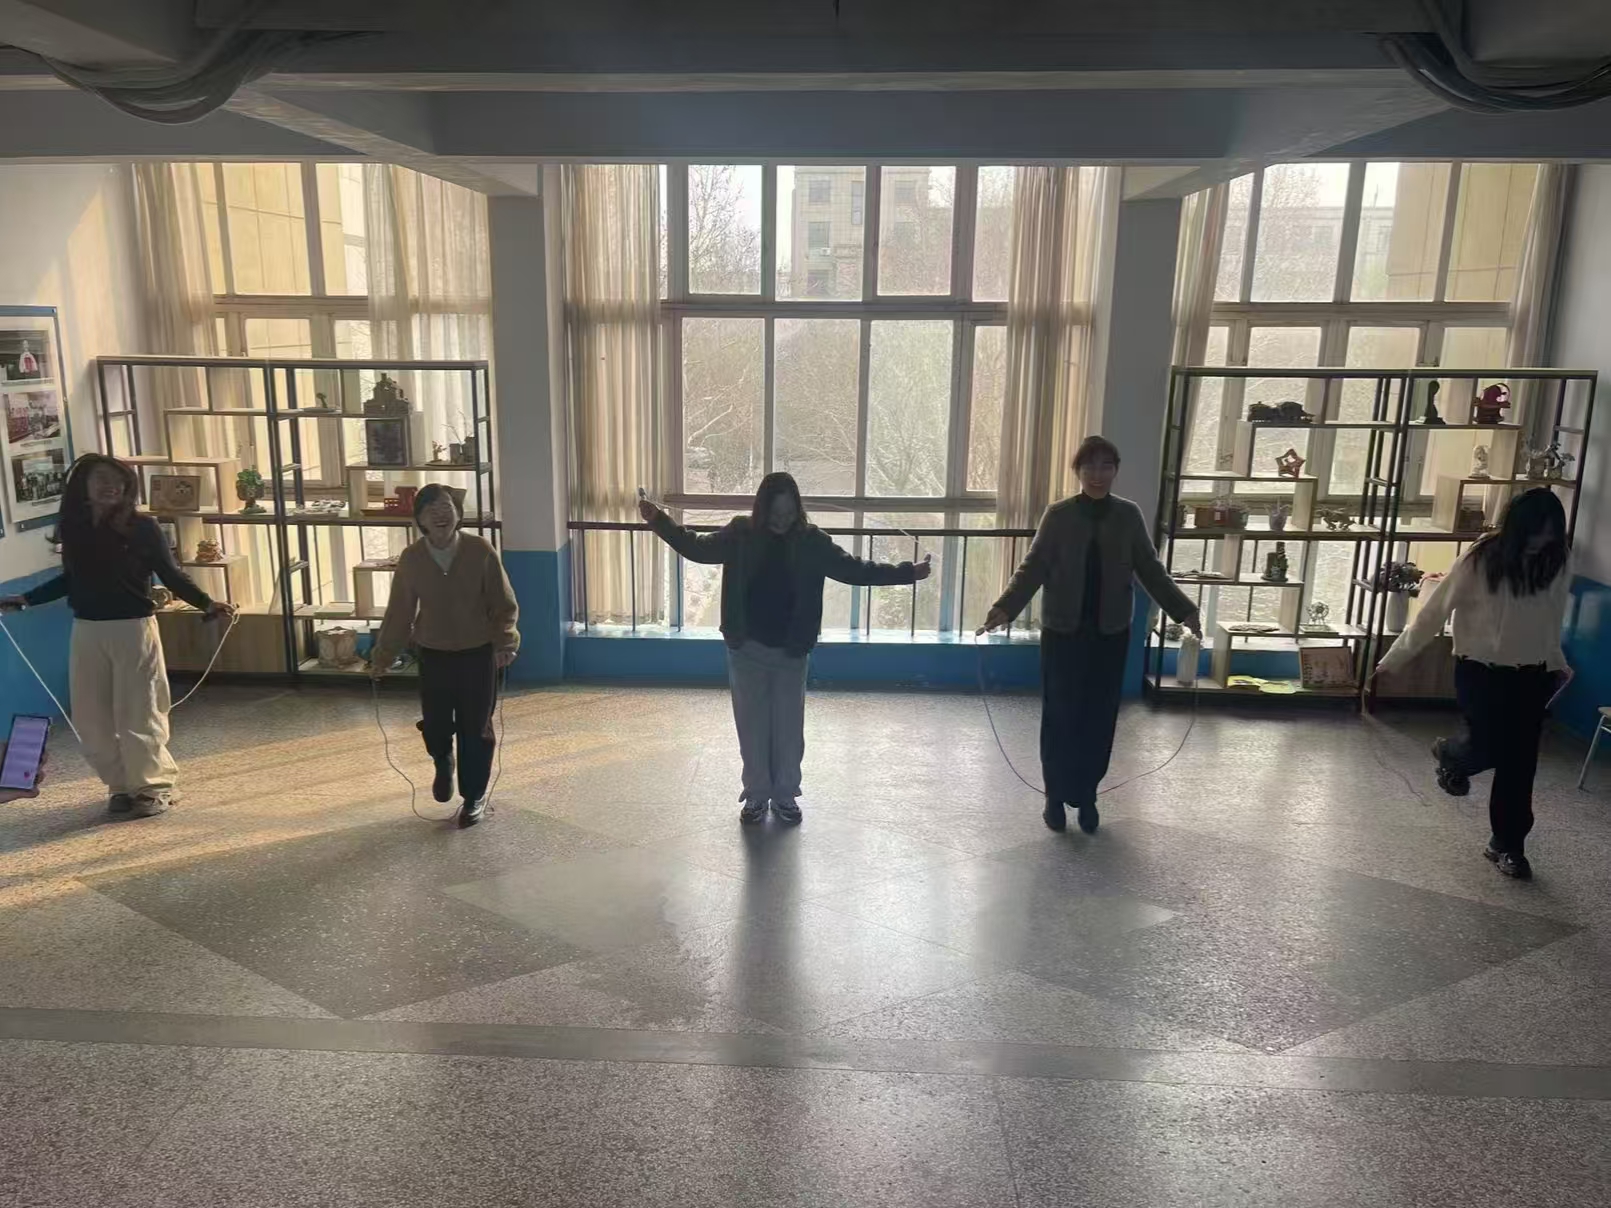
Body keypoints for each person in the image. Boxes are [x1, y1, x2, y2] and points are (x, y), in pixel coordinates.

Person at [640, 472, 930, 825]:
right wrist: (659, 520)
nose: (781, 521)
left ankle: (785, 795)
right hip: (746, 648)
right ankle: (756, 795)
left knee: (789, 729)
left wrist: (907, 573)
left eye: (789, 514)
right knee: (752, 728)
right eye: (775, 514)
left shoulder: (813, 542)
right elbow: (697, 548)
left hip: (792, 651)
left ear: (798, 511)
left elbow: (856, 570)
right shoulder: (740, 533)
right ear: (761, 510)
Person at [979, 435, 1201, 835]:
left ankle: (1087, 795)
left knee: (1099, 718)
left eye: (1106, 466)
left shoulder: (1128, 515)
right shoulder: (1059, 515)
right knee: (1061, 716)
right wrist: (1005, 608)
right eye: (1089, 467)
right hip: (1063, 633)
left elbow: (1151, 570)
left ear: (1115, 471)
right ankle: (1054, 796)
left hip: (1110, 634)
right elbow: (1033, 567)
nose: (1097, 474)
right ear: (1077, 471)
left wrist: (1185, 611)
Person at [0, 453, 235, 817]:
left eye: (118, 480)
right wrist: (27, 599)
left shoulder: (143, 528)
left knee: (139, 715)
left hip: (133, 630)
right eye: (101, 479)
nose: (110, 486)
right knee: (91, 720)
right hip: (87, 630)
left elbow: (170, 574)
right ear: (84, 486)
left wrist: (206, 603)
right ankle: (122, 784)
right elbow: (71, 579)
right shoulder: (76, 528)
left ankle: (153, 787)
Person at [1373, 488, 1572, 881]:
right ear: (1517, 527)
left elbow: (1552, 619)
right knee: (1490, 745)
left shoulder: (1557, 560)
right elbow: (1434, 612)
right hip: (1480, 672)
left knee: (1520, 764)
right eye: (1535, 532)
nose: (1542, 540)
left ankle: (1508, 845)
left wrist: (1557, 664)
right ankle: (1454, 754)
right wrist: (1394, 658)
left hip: (1533, 675)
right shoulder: (1481, 557)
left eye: (1550, 532)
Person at [370, 483, 519, 828]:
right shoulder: (412, 559)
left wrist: (505, 643)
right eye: (431, 510)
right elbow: (399, 613)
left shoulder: (479, 550)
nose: (440, 515)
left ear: (457, 514)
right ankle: (442, 759)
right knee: (436, 724)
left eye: (446, 508)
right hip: (433, 653)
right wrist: (382, 657)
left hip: (477, 653)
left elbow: (502, 602)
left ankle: (474, 797)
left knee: (475, 727)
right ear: (420, 519)